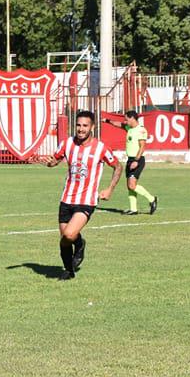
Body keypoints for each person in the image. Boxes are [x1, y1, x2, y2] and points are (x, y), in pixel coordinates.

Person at [39, 110, 121, 280]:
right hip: (66, 198)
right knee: (65, 240)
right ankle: (69, 270)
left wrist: (110, 189)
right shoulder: (67, 143)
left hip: (86, 201)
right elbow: (55, 160)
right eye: (78, 125)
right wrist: (49, 163)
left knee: (69, 234)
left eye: (85, 126)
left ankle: (79, 244)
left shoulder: (100, 148)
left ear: (92, 127)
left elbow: (118, 167)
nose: (81, 129)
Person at [123, 110, 158, 215]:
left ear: (132, 118)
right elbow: (119, 124)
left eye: (126, 119)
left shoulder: (141, 130)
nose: (125, 121)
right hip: (130, 160)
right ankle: (133, 209)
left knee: (132, 185)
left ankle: (152, 199)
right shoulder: (129, 128)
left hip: (137, 160)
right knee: (129, 186)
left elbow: (142, 147)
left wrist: (136, 161)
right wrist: (106, 120)